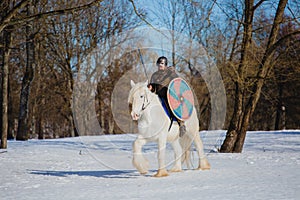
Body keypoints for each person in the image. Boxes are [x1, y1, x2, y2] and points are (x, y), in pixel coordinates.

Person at [148, 56, 186, 137]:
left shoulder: (170, 73)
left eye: (161, 64)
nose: (160, 66)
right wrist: (151, 87)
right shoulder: (154, 75)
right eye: (159, 64)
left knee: (172, 106)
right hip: (158, 96)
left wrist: (172, 73)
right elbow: (153, 87)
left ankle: (181, 124)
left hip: (168, 95)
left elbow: (177, 81)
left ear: (165, 65)